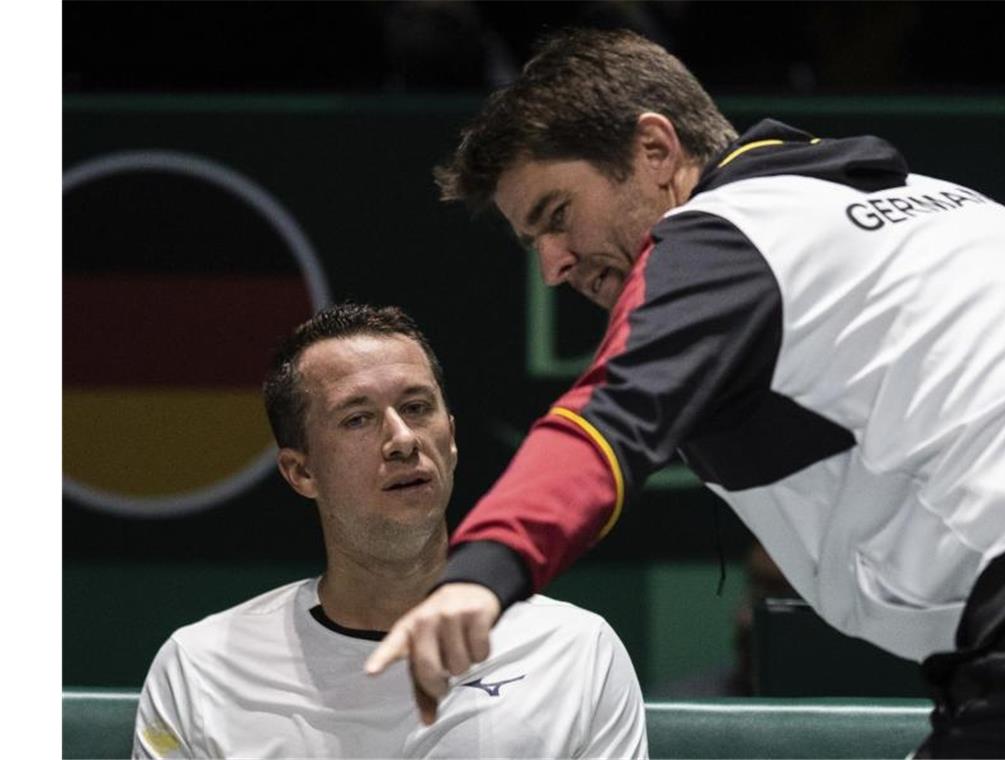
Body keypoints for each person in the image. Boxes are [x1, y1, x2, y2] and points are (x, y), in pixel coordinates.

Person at [365, 28, 1005, 758]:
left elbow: (608, 418)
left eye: (557, 215)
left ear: (655, 151)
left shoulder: (718, 238)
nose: (553, 266)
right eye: (533, 241)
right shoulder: (930, 200)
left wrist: (481, 572)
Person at [132, 303, 648, 759]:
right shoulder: (201, 667)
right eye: (357, 419)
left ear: (451, 439)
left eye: (418, 408)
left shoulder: (576, 651)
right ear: (301, 472)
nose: (402, 439)